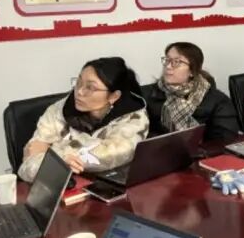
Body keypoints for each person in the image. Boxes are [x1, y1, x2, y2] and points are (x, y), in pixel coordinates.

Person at [19, 57, 148, 181]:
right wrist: (61, 161)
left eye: (90, 87)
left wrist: (53, 154)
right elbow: (27, 166)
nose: (79, 91)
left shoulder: (134, 118)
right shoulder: (59, 110)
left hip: (108, 186)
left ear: (114, 96)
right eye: (79, 82)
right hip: (60, 186)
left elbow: (109, 155)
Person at [145, 42, 238, 142]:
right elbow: (143, 136)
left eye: (176, 62)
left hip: (203, 151)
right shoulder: (149, 96)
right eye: (167, 60)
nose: (168, 66)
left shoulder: (217, 101)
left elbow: (225, 139)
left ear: (192, 71)